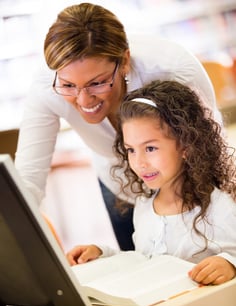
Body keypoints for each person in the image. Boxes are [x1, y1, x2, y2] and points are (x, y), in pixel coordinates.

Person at [15, 3, 222, 251]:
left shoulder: (174, 70)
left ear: (124, 61)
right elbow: (28, 179)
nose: (84, 100)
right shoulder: (45, 89)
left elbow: (209, 148)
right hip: (122, 187)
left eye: (97, 83)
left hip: (191, 187)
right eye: (69, 85)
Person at [66, 80, 236, 286]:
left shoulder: (223, 206)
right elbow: (144, 261)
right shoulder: (144, 205)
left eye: (150, 148)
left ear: (186, 145)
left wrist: (229, 264)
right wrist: (102, 253)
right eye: (131, 150)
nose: (139, 162)